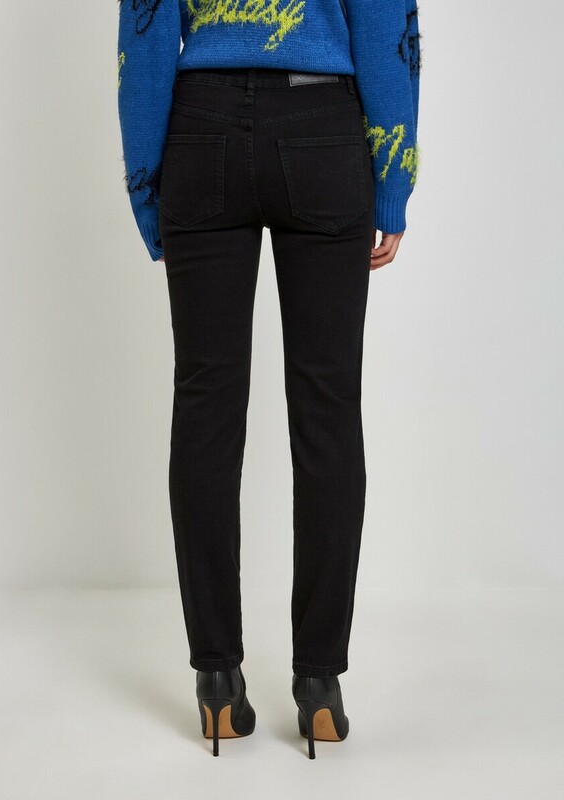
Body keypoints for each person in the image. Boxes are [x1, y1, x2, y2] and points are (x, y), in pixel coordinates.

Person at [117, 0, 421, 758]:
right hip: (323, 130)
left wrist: (148, 188)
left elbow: (145, 34)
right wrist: (393, 181)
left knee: (205, 404)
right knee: (328, 407)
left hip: (201, 132)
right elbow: (385, 25)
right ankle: (319, 686)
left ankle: (218, 682)